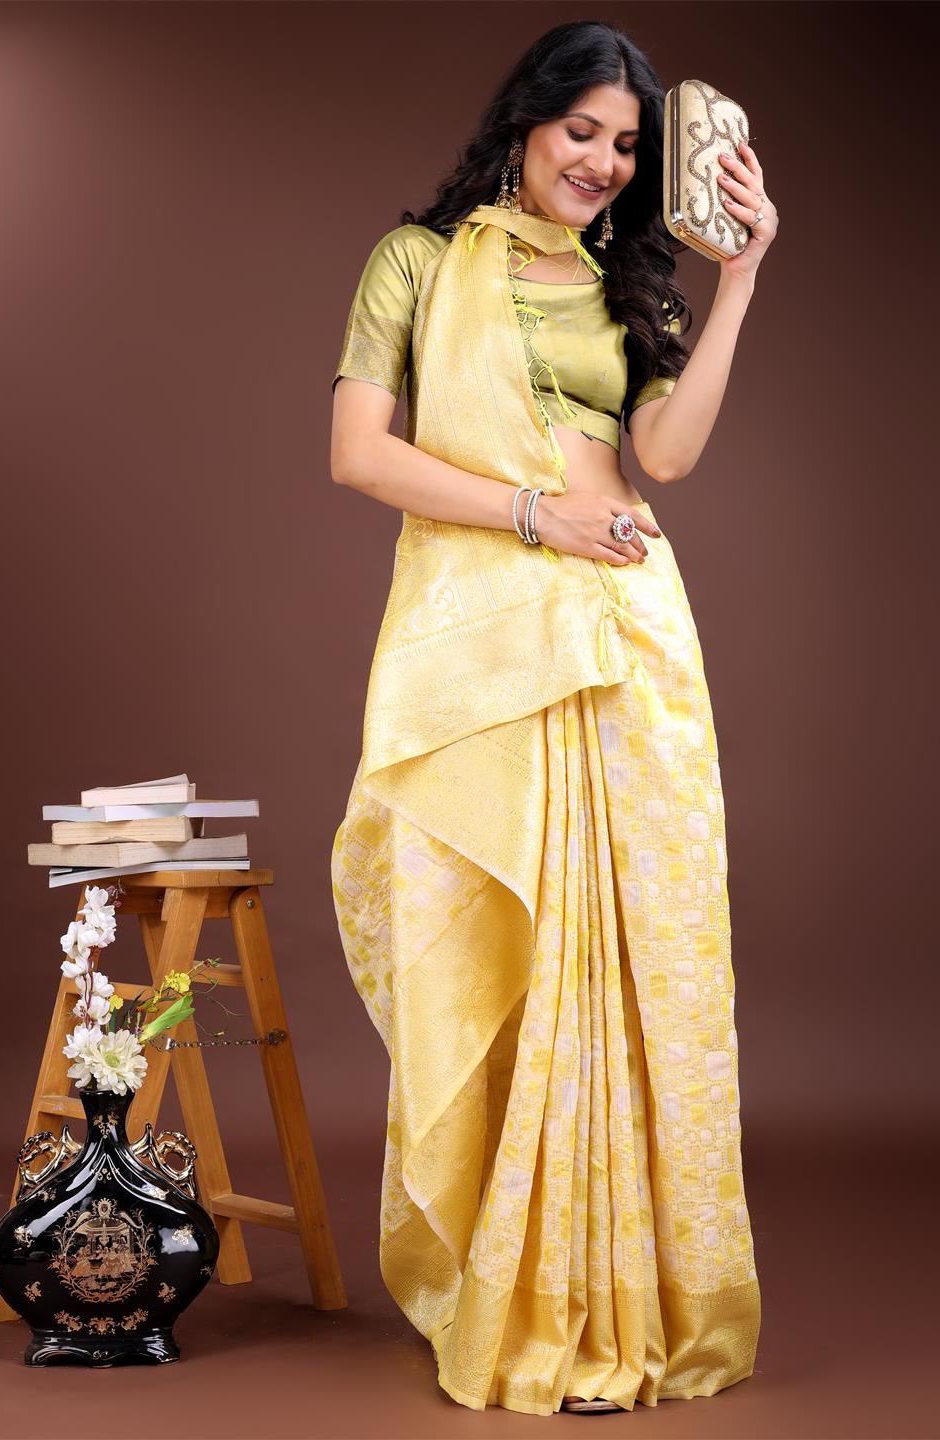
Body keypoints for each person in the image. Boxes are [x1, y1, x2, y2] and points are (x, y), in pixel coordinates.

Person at [329, 18, 777, 1418]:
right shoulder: (416, 262)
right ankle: (519, 1293)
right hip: (485, 640)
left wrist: (740, 275)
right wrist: (537, 516)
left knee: (632, 957)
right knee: (509, 946)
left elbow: (666, 458)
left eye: (627, 145)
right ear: (525, 121)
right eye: (581, 130)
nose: (602, 161)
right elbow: (359, 454)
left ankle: (619, 1295)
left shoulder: (626, 283)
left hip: (628, 632)